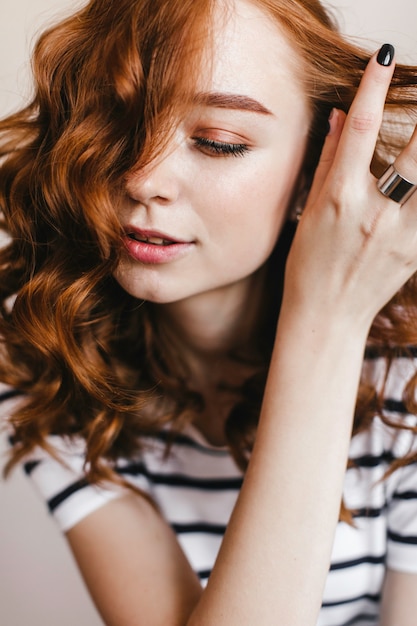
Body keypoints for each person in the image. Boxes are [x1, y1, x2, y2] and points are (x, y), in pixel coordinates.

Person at [1, 0, 417, 623]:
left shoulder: (405, 373)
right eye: (121, 120)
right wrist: (326, 325)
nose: (143, 178)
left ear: (313, 171)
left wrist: (331, 322)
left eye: (218, 142)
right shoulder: (45, 354)